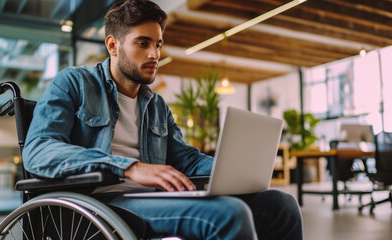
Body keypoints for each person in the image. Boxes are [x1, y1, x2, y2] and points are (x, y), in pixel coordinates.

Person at [23, 0, 303, 239]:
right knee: (228, 213)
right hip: (96, 202)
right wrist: (129, 167)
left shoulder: (155, 105)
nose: (154, 54)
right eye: (142, 44)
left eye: (157, 44)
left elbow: (186, 160)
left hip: (148, 199)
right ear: (113, 45)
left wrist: (232, 169)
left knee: (281, 204)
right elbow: (38, 151)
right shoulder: (73, 83)